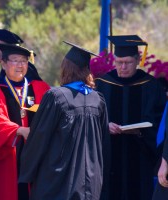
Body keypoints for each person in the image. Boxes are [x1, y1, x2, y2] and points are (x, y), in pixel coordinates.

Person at [18, 41, 110, 199]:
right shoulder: (98, 100)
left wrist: (27, 170)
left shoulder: (56, 97)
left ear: (65, 69)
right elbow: (104, 143)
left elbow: (39, 138)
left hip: (59, 182)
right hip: (90, 181)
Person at [95, 35, 166, 200]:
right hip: (110, 158)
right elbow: (92, 118)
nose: (123, 67)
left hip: (141, 158)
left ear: (138, 60)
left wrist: (141, 132)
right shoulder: (103, 85)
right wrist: (105, 126)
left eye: (128, 62)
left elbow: (161, 123)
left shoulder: (151, 86)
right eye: (119, 62)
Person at [0, 43, 50, 200]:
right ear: (4, 63)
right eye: (15, 60)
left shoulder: (42, 88)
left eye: (24, 61)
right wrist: (18, 130)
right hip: (8, 162)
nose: (20, 65)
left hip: (37, 160)